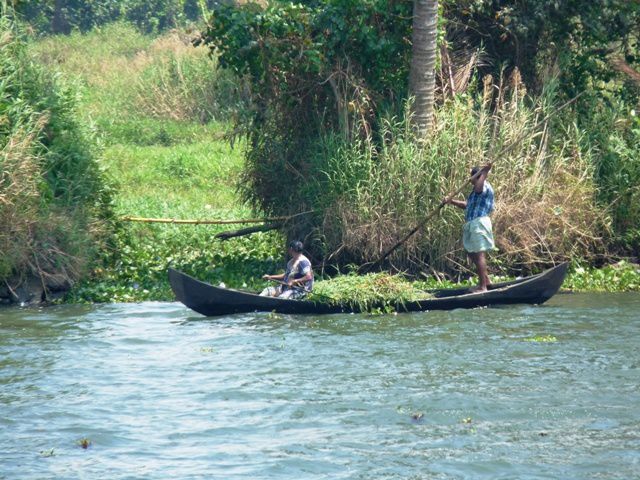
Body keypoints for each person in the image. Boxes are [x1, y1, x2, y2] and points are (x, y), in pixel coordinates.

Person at [443, 164, 495, 292]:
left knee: (479, 252)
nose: (470, 180)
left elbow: (478, 188)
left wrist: (484, 173)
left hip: (479, 222)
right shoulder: (475, 190)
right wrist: (451, 201)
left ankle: (483, 287)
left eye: (472, 177)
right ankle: (486, 280)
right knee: (470, 251)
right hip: (472, 223)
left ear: (476, 177)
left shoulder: (483, 186)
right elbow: (468, 205)